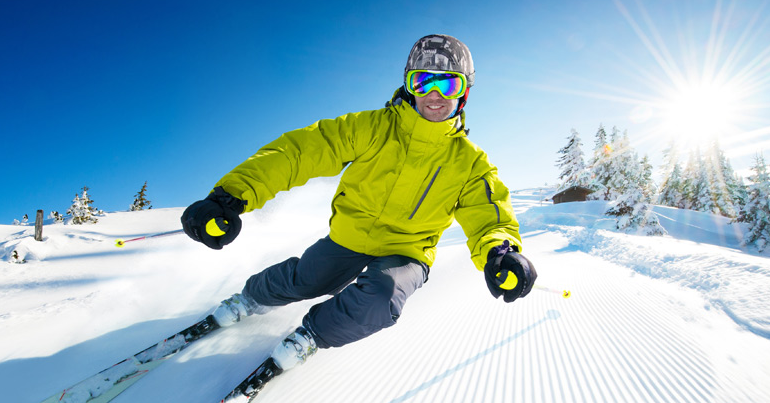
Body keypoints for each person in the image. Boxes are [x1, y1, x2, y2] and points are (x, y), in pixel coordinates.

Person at [181, 34, 537, 371]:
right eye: (423, 81)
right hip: (350, 236)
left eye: (448, 83)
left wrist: (500, 252)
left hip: (408, 250)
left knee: (382, 297)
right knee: (307, 279)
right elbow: (299, 153)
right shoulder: (372, 128)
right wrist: (231, 196)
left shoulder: (471, 163)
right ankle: (250, 299)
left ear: (465, 94)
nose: (433, 94)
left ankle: (312, 336)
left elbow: (489, 216)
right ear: (409, 85)